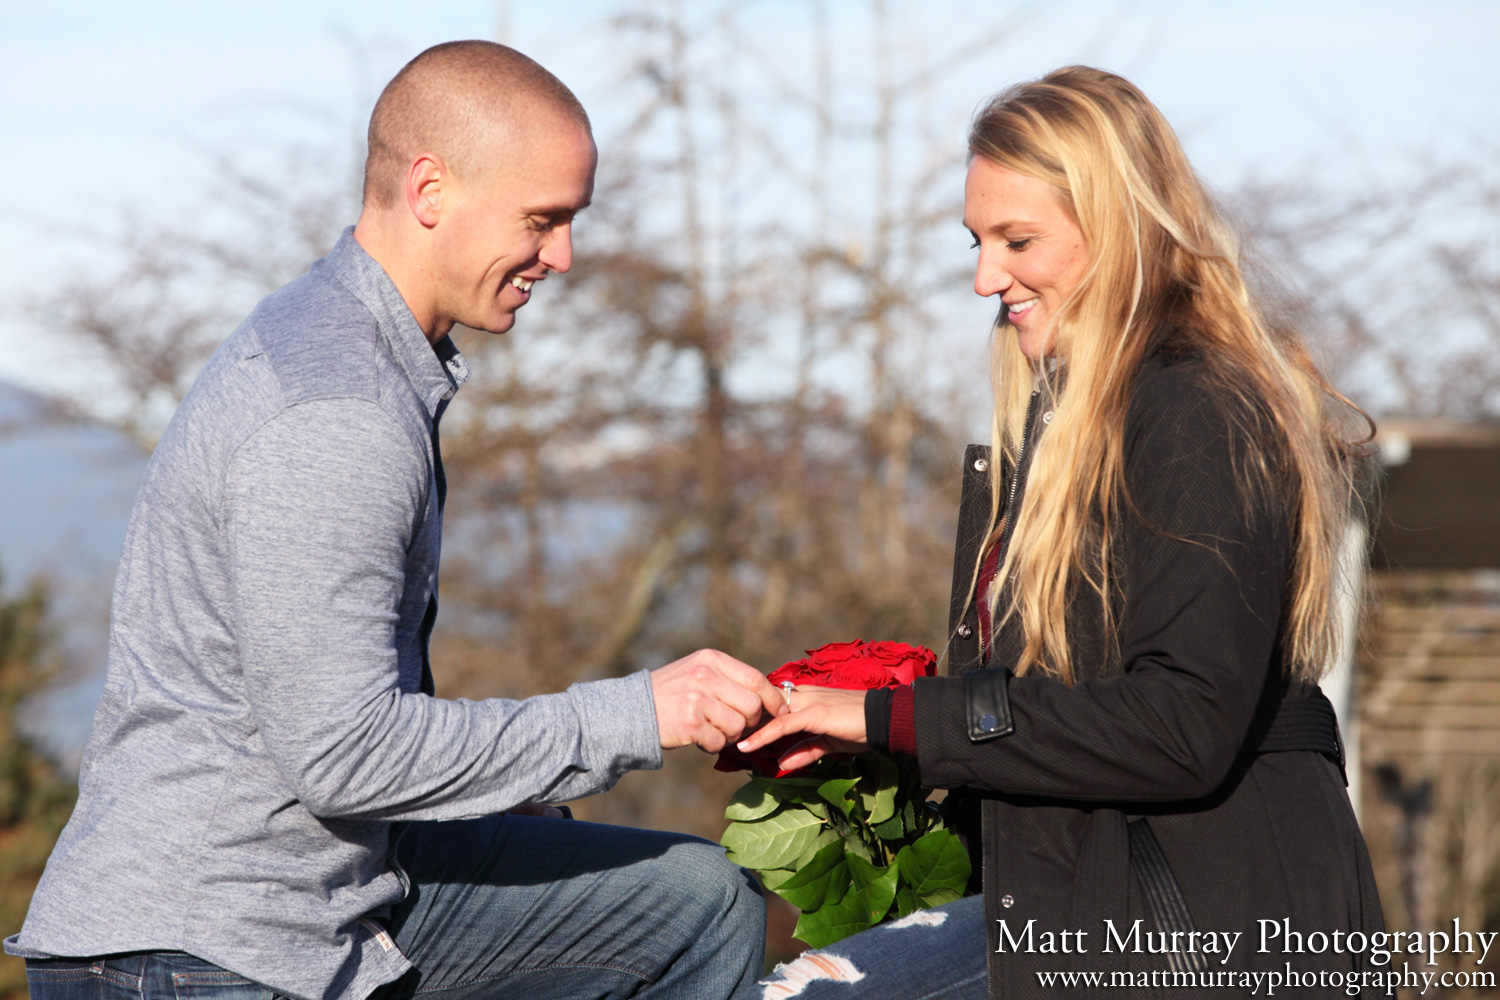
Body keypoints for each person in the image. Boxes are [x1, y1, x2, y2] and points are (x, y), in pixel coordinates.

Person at [9, 41, 781, 1000]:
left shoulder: (344, 350)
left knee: (691, 901)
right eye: (542, 221)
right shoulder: (340, 412)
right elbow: (343, 755)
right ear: (430, 188)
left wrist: (506, 794)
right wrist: (634, 712)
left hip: (318, 899)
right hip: (206, 951)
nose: (563, 257)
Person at [744, 66, 1383, 999]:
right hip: (1085, 908)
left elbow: (1180, 724)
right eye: (976, 239)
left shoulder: (1194, 407)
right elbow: (1074, 706)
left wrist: (896, 717)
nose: (983, 277)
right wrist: (877, 748)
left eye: (1017, 239)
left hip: (1212, 932)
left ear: (1118, 225)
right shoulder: (1076, 416)